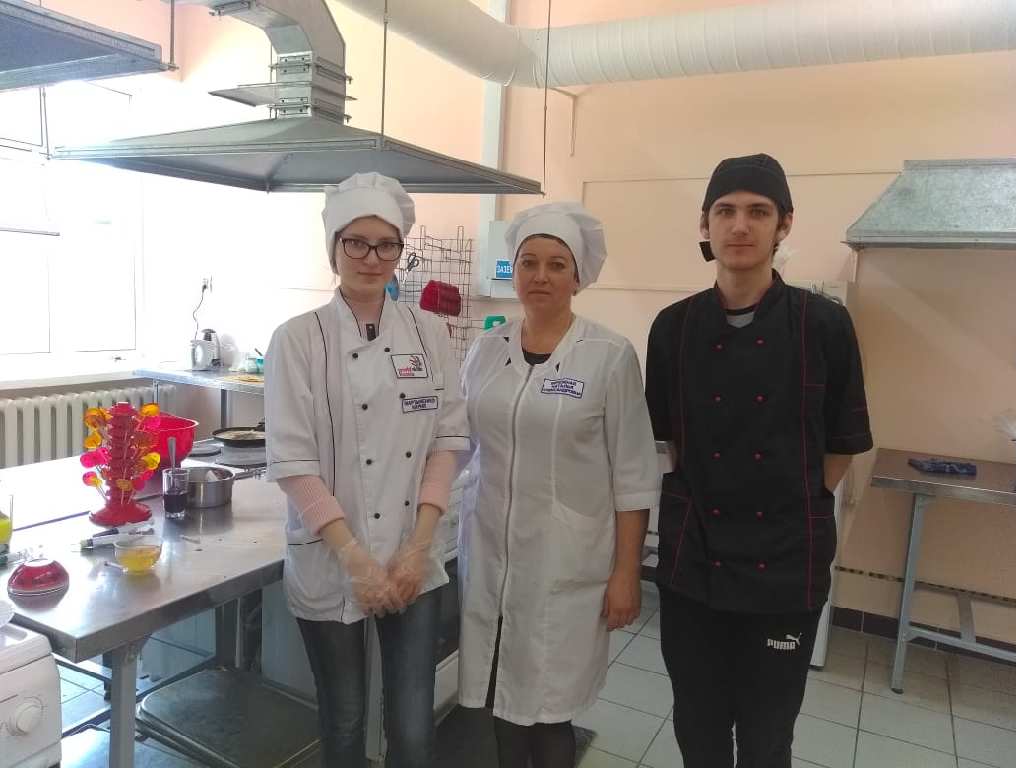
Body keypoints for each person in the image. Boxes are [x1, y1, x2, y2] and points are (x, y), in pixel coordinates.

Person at [645, 153, 873, 767]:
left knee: (767, 737)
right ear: (705, 224)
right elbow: (667, 444)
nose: (740, 225)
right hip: (694, 562)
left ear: (784, 224)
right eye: (725, 211)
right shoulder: (673, 328)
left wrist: (792, 506)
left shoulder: (824, 325)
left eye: (758, 211)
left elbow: (842, 445)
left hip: (785, 567)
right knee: (698, 727)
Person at [264, 172, 469, 768]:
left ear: (400, 250)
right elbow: (294, 462)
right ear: (334, 248)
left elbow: (447, 441)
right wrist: (356, 561)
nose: (372, 258)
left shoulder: (429, 334)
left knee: (413, 724)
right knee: (344, 720)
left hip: (413, 556)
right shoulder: (297, 339)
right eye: (356, 242)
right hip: (332, 560)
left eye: (386, 245)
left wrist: (417, 548)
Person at [459, 202, 661, 768]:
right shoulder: (486, 350)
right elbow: (459, 444)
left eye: (556, 264)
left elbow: (634, 475)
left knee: (550, 713)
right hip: (490, 558)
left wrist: (627, 573)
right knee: (501, 701)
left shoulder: (608, 356)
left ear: (578, 276)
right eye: (529, 262)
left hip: (566, 568)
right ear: (515, 271)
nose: (541, 276)